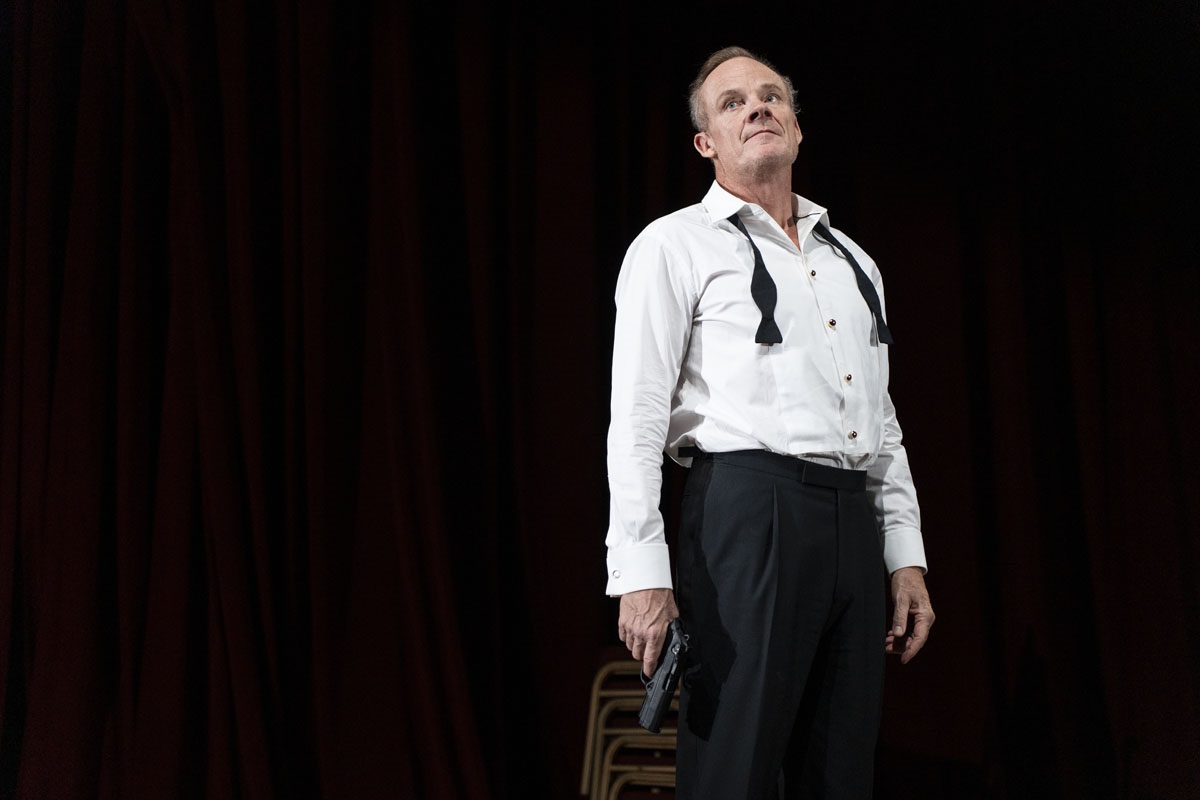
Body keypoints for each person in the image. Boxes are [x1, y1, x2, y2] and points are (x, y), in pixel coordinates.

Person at [604, 46, 935, 799]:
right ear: (706, 143)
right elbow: (638, 415)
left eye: (771, 96)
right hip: (748, 515)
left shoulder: (854, 262)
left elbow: (879, 420)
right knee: (735, 768)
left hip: (851, 521)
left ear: (796, 126)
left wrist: (903, 554)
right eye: (733, 103)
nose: (757, 107)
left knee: (840, 773)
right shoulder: (673, 245)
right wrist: (641, 573)